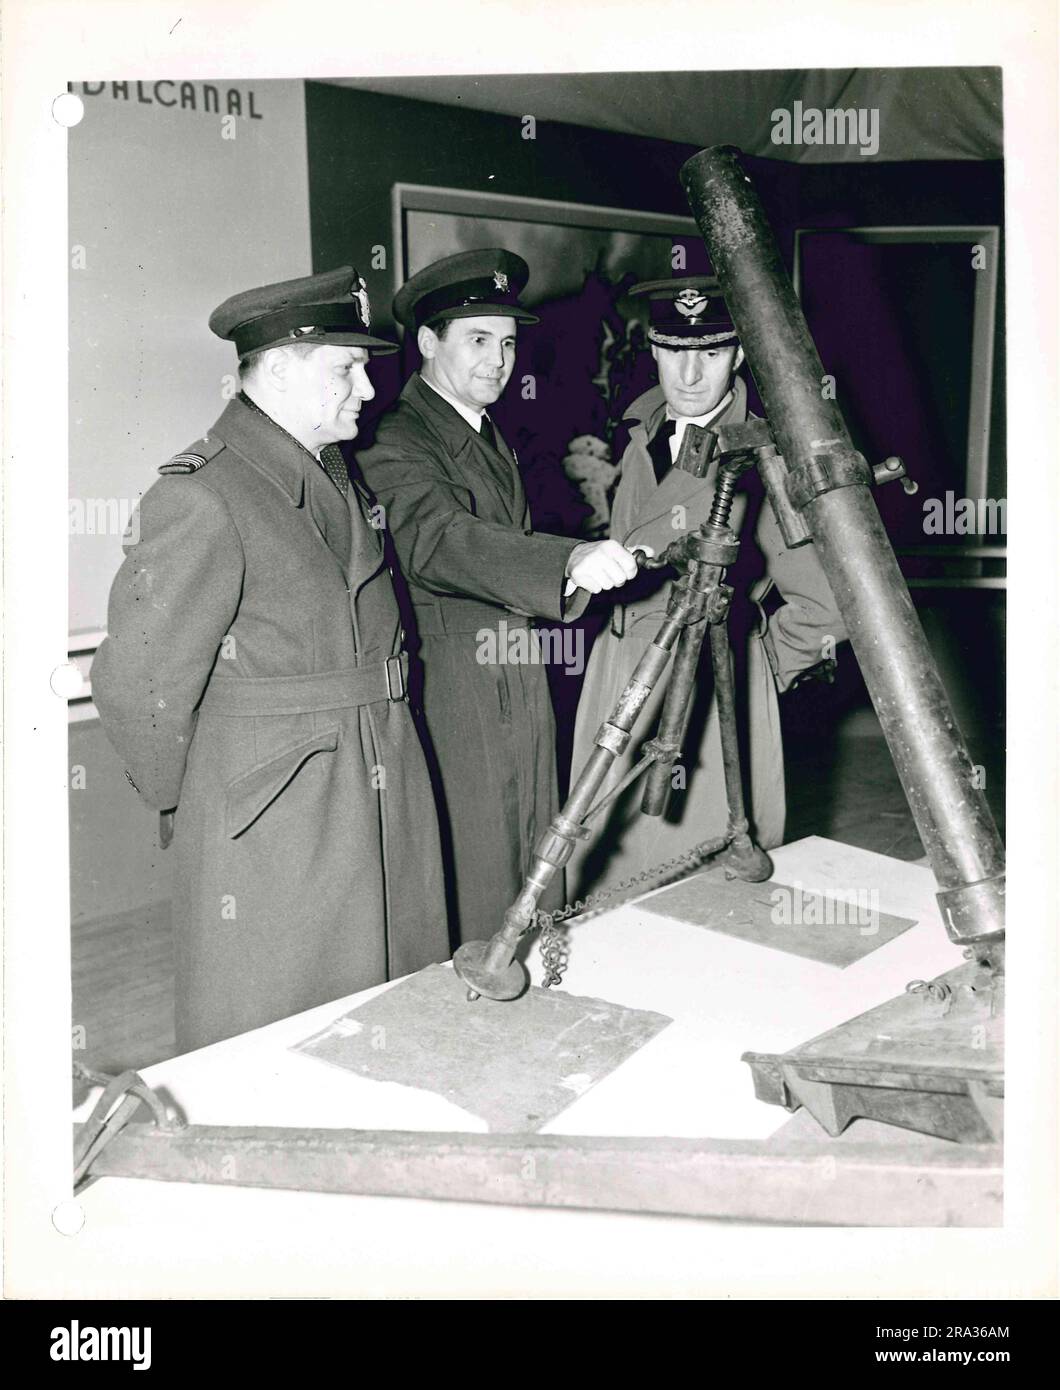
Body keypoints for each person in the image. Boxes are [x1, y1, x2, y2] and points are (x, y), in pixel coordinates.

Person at [91, 266, 450, 1051]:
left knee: (389, 1013)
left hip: (380, 769)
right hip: (281, 804)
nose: (366, 387)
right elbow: (137, 681)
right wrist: (205, 800)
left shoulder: (329, 470)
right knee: (278, 1024)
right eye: (346, 368)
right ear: (282, 368)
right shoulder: (204, 493)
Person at [357, 249, 643, 945]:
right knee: (481, 869)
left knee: (535, 851)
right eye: (478, 340)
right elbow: (438, 538)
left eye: (508, 342)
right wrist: (567, 559)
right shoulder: (397, 438)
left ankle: (535, 983)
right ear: (428, 343)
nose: (499, 360)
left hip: (514, 673)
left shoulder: (480, 430)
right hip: (458, 685)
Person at [568, 275, 847, 898]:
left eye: (712, 354)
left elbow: (828, 604)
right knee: (599, 868)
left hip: (703, 690)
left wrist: (753, 671)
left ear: (739, 355)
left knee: (696, 888)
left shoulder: (765, 453)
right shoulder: (640, 427)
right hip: (617, 670)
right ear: (655, 352)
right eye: (676, 352)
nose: (691, 375)